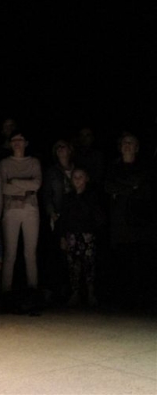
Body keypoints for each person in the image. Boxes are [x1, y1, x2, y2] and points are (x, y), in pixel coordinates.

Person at [104, 132, 157, 310]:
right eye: (124, 142)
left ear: (136, 147)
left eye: (130, 142)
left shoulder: (144, 167)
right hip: (119, 220)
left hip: (140, 220)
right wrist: (131, 187)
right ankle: (122, 300)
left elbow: (143, 187)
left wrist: (122, 188)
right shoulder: (113, 166)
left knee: (139, 259)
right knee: (121, 259)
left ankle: (140, 300)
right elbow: (109, 186)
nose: (127, 145)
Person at [0, 129, 42, 313]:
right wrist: (25, 186)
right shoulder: (5, 163)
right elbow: (3, 187)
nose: (17, 142)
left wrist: (15, 182)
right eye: (14, 140)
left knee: (30, 254)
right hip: (11, 210)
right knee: (10, 253)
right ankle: (6, 293)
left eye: (20, 139)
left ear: (26, 143)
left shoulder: (33, 162)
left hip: (31, 209)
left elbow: (37, 184)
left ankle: (33, 292)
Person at [60, 168, 105, 308]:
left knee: (89, 264)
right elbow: (63, 219)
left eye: (81, 176)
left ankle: (91, 293)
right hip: (72, 235)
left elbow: (98, 217)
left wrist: (93, 232)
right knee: (73, 265)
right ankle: (75, 293)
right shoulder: (68, 198)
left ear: (86, 178)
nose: (77, 179)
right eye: (75, 177)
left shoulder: (92, 196)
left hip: (87, 234)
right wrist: (62, 237)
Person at [39, 139, 75, 304]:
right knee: (56, 253)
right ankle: (55, 291)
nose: (60, 149)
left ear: (70, 150)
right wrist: (52, 213)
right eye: (58, 147)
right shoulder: (52, 172)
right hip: (58, 216)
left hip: (75, 216)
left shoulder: (76, 169)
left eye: (63, 146)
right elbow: (47, 194)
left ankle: (73, 290)